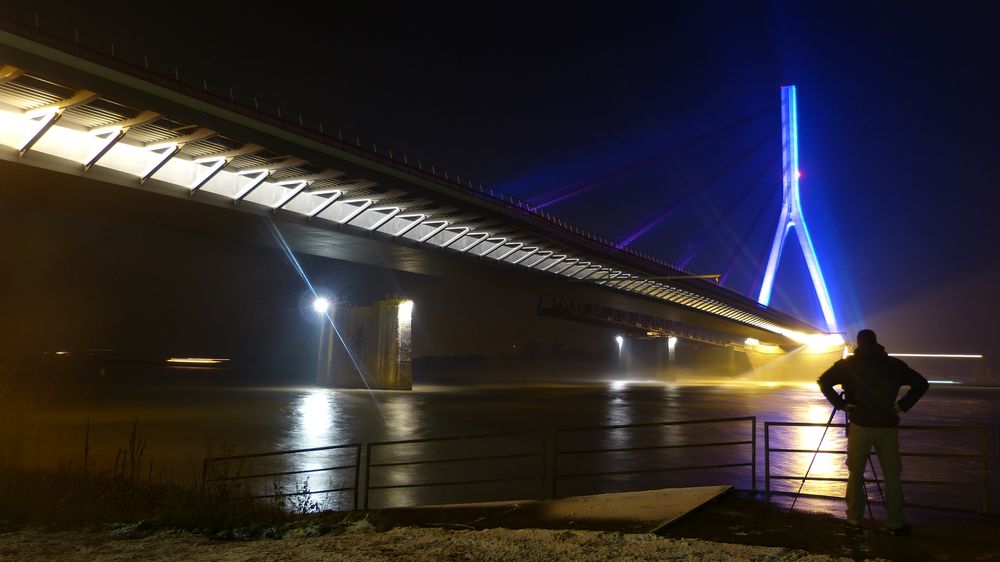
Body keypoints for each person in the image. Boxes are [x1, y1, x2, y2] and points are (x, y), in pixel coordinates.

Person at [817, 329, 929, 536]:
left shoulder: (847, 365)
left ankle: (854, 522)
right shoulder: (894, 365)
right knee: (892, 476)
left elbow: (822, 381)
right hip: (887, 426)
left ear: (859, 344)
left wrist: (842, 404)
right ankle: (895, 524)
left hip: (860, 425)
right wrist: (902, 406)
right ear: (877, 343)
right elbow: (922, 384)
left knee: (856, 474)